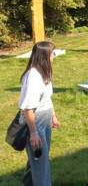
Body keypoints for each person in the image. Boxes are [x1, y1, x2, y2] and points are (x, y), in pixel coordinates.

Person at [19, 41, 60, 186]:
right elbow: (27, 108)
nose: (54, 55)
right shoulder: (33, 77)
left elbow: (47, 98)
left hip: (45, 121)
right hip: (35, 125)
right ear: (44, 55)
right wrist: (34, 133)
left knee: (38, 160)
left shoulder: (44, 72)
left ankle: (29, 183)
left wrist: (53, 115)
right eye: (52, 53)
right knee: (42, 165)